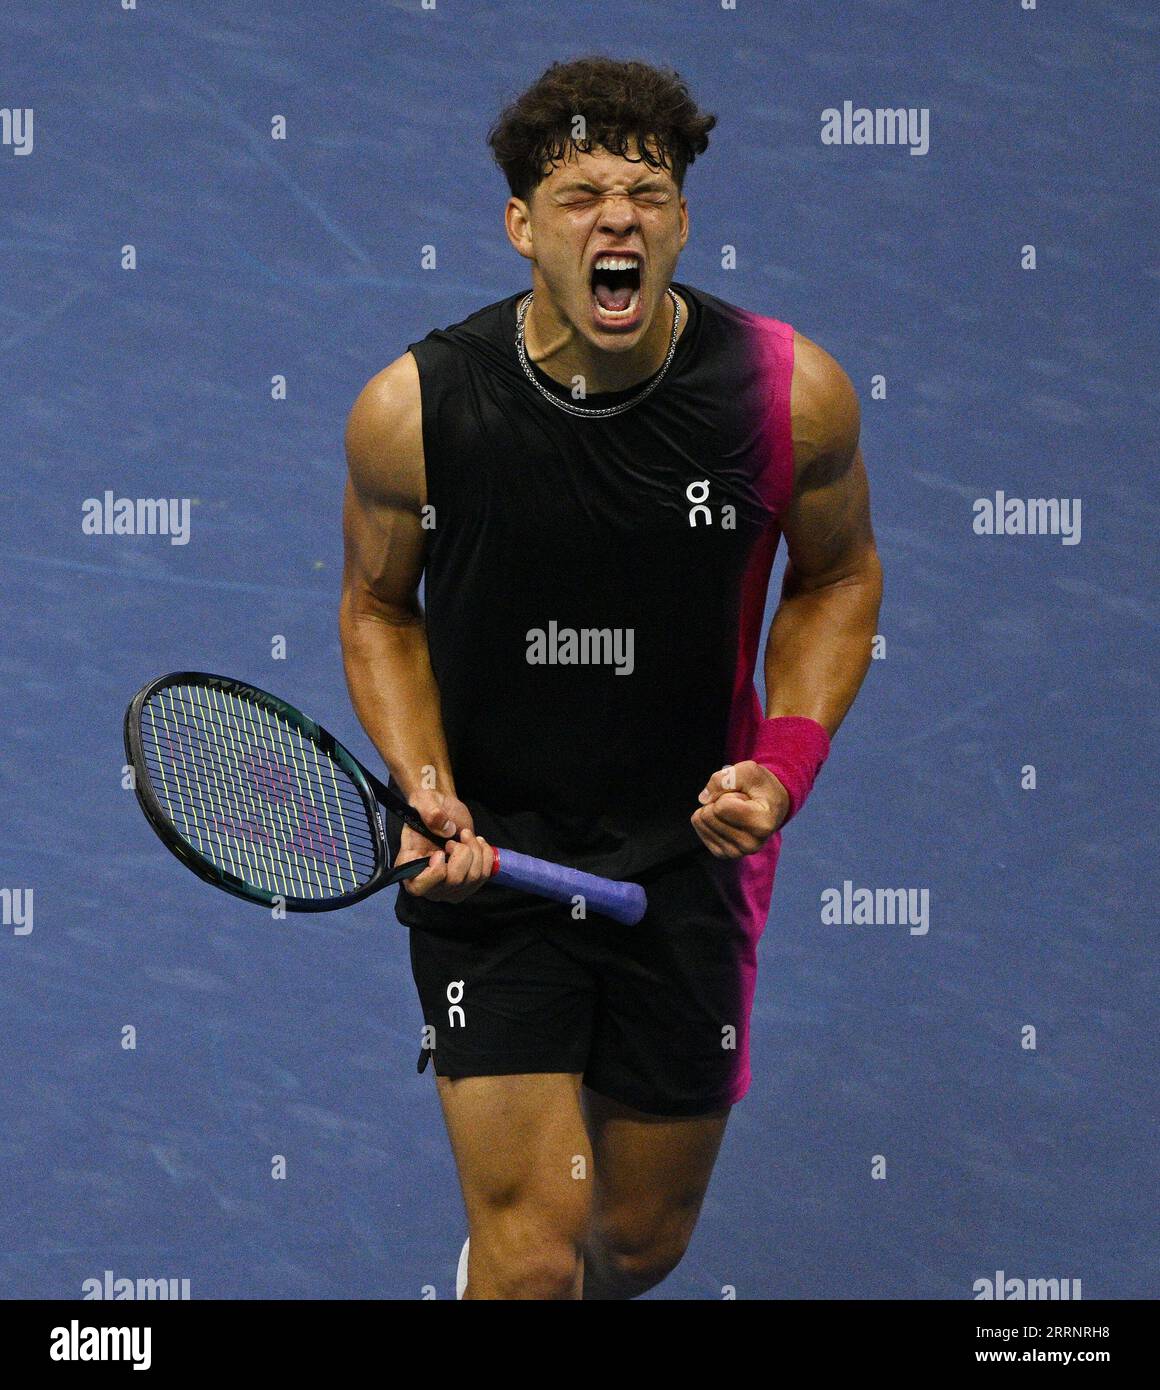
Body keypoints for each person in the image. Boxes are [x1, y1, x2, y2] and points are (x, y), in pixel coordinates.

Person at [339, 55, 882, 1299]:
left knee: (629, 1243)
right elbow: (377, 609)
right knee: (535, 1258)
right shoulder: (415, 411)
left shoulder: (787, 399)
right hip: (497, 853)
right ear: (521, 226)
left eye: (644, 189)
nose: (617, 216)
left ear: (682, 220)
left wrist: (782, 768)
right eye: (579, 194)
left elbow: (835, 581)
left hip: (691, 857)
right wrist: (425, 787)